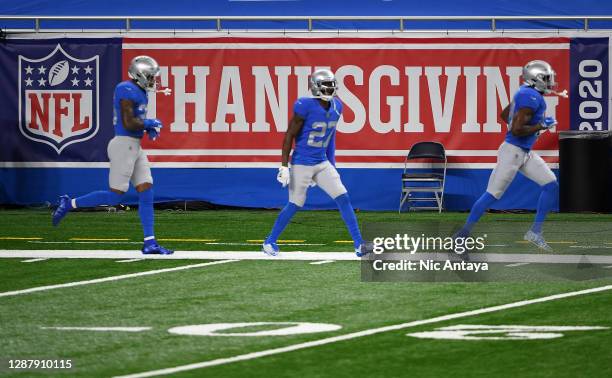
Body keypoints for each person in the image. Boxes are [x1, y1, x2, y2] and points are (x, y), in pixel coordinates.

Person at [52, 56, 173, 255]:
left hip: (134, 146)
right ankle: (69, 203)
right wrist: (149, 124)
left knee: (146, 191)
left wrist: (147, 128)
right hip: (123, 145)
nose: (153, 80)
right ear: (139, 75)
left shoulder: (142, 91)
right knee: (115, 197)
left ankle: (150, 242)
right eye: (150, 76)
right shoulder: (125, 88)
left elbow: (136, 122)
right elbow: (128, 123)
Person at [456, 60, 560, 252]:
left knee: (551, 184)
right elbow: (518, 129)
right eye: (545, 78)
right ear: (534, 79)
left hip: (524, 152)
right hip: (512, 152)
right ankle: (461, 235)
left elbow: (505, 115)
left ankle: (535, 232)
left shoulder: (527, 93)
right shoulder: (531, 97)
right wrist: (541, 126)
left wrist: (534, 128)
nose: (549, 81)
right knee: (492, 195)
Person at [262, 68, 366, 257]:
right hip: (302, 162)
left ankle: (359, 244)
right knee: (295, 203)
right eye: (326, 86)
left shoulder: (337, 106)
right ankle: (269, 241)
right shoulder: (304, 105)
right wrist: (284, 166)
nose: (330, 89)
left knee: (343, 197)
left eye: (331, 85)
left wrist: (332, 164)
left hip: (321, 162)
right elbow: (289, 135)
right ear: (315, 87)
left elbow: (330, 138)